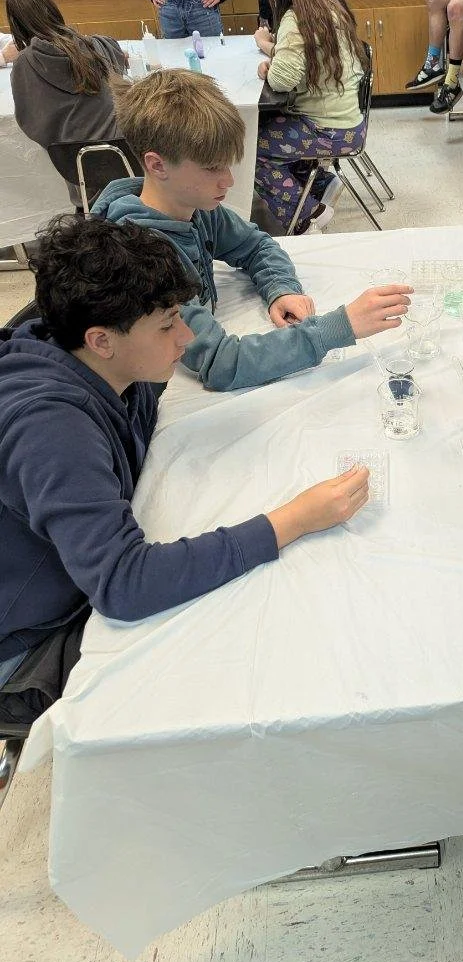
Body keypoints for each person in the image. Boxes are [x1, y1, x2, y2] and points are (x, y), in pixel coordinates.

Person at [0, 215, 371, 725]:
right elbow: (125, 584)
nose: (184, 338)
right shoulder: (52, 428)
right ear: (101, 339)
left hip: (74, 564)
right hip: (27, 637)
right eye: (168, 322)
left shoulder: (107, 361)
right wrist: (293, 521)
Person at [92, 68, 410, 391]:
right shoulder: (142, 259)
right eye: (212, 168)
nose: (229, 181)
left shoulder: (191, 207)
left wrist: (280, 288)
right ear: (157, 165)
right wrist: (341, 326)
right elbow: (222, 363)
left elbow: (256, 245)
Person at [252, 0, 368, 233]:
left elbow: (281, 80)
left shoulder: (295, 19)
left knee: (251, 148)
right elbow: (299, 58)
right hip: (349, 122)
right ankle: (322, 183)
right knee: (273, 128)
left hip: (328, 130)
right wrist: (273, 52)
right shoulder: (327, 6)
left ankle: (307, 214)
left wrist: (268, 64)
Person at [6, 0, 127, 207]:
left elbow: (31, 124)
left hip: (79, 172)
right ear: (54, 10)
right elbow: (121, 72)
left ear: (16, 24)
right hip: (129, 161)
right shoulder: (99, 45)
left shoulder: (26, 64)